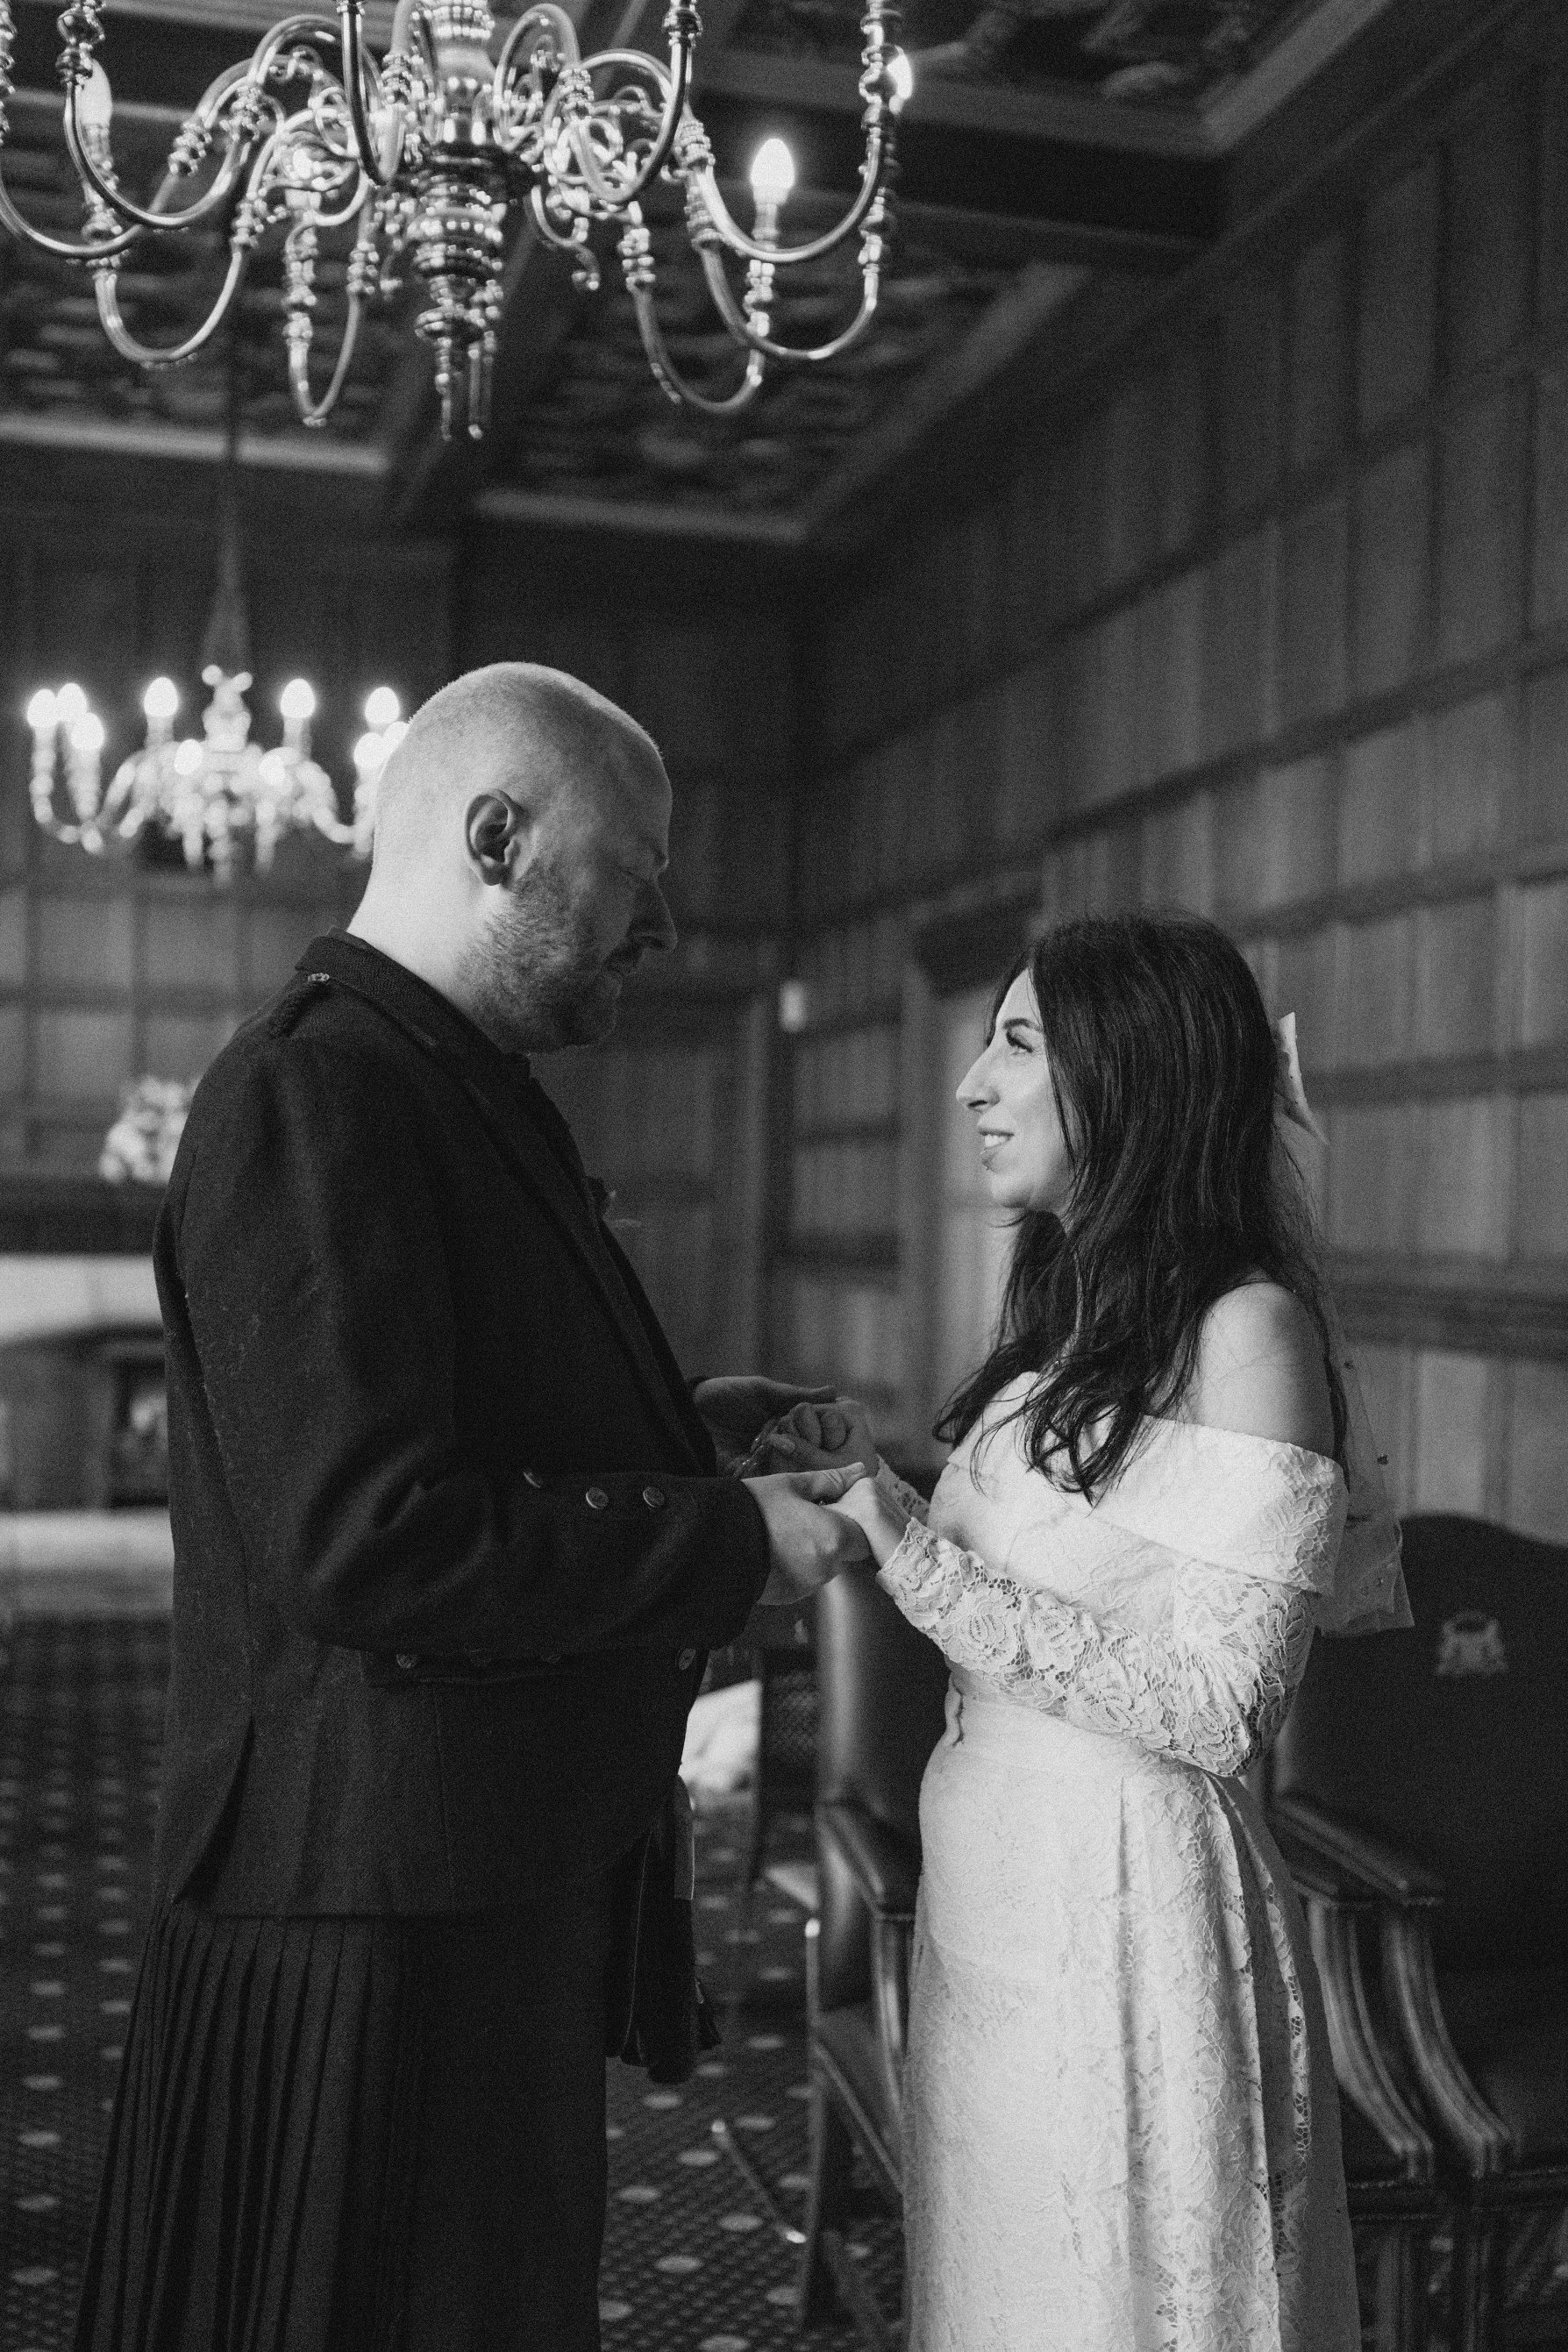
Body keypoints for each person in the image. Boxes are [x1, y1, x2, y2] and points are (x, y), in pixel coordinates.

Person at [73, 662, 869, 2352]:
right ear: (496, 833)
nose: (660, 918)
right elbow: (370, 1536)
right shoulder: (318, 1088)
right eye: (637, 866)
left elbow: (464, 1416)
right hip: (364, 1914)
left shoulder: (438, 1073)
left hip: (456, 1875)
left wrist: (688, 1438)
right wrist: (738, 1544)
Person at [770, 912, 1408, 2352]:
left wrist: (911, 1557)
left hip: (1129, 1908)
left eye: (1015, 1043)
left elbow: (1220, 1706)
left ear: (1131, 1075)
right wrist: (879, 1481)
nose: (971, 1085)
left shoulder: (1250, 1331)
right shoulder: (1066, 1313)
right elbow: (1049, 1564)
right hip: (990, 1893)